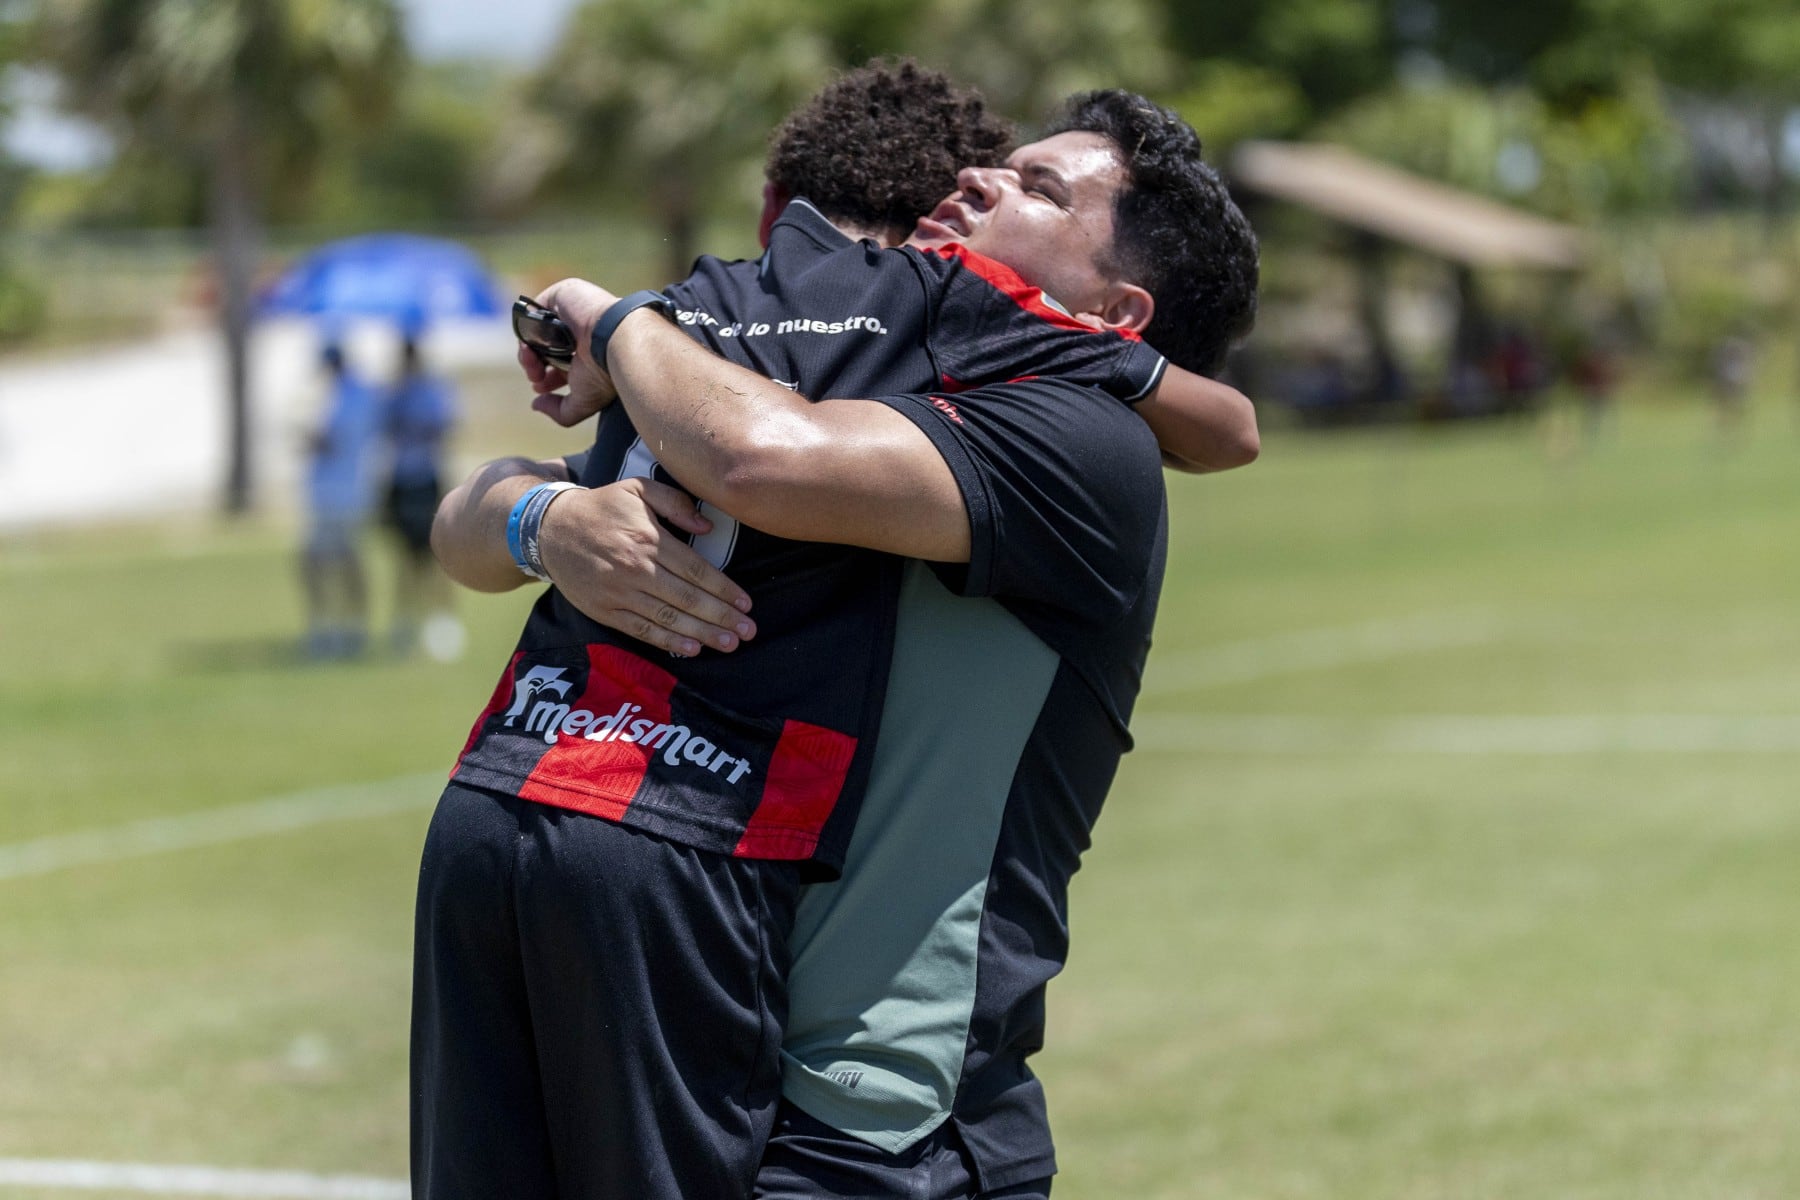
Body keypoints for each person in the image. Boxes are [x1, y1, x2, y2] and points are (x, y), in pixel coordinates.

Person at [421, 72, 1257, 1200]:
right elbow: (476, 523)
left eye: (1039, 190)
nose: (981, 181)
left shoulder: (1079, 438)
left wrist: (619, 324)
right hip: (746, 1051)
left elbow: (762, 458)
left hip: (886, 1118)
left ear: (1116, 312)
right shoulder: (881, 386)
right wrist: (546, 519)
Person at [379, 335, 461, 659]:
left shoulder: (432, 391)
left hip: (426, 478)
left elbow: (444, 428)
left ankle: (442, 623)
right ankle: (405, 623)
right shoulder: (394, 393)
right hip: (401, 479)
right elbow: (383, 429)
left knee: (436, 553)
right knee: (405, 556)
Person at [299, 343, 381, 660]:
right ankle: (333, 627)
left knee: (340, 563)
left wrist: (310, 436)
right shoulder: (338, 394)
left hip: (344, 493)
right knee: (323, 563)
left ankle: (345, 628)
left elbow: (332, 440)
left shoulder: (351, 397)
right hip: (332, 492)